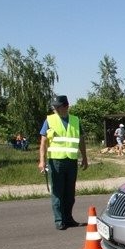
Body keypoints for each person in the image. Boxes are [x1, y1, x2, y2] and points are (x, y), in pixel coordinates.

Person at [38, 95, 88, 230]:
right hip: (56, 161)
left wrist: (84, 157)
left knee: (70, 193)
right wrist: (42, 161)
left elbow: (81, 140)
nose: (54, 108)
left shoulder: (75, 120)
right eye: (53, 106)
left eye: (57, 106)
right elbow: (43, 142)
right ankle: (59, 220)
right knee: (57, 193)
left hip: (71, 161)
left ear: (66, 106)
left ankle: (68, 218)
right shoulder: (49, 120)